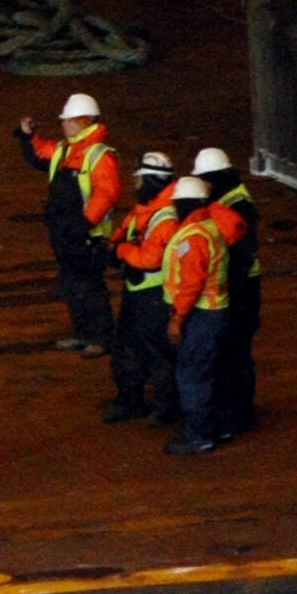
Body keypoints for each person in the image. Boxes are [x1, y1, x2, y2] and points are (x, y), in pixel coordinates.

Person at [17, 93, 123, 357]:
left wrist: (84, 223)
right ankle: (83, 333)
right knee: (72, 285)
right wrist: (26, 136)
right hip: (66, 233)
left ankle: (102, 337)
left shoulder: (99, 155)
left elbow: (107, 193)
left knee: (90, 287)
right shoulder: (66, 149)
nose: (63, 124)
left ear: (84, 121)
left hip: (86, 236)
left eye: (69, 120)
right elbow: (40, 155)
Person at [104, 151, 181, 423]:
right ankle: (130, 399)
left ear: (150, 181)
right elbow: (126, 230)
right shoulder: (148, 210)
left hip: (155, 298)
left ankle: (166, 406)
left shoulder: (166, 218)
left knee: (156, 352)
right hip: (137, 293)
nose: (134, 186)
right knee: (127, 346)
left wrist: (120, 250)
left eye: (138, 181)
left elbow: (150, 259)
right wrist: (112, 245)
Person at [192, 147, 261, 439]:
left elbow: (239, 252)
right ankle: (236, 411)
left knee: (234, 354)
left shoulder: (235, 206)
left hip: (240, 289)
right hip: (243, 286)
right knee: (234, 353)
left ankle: (237, 415)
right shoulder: (232, 198)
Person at [159, 176, 231, 456]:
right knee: (214, 372)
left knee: (192, 376)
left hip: (200, 316)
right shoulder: (210, 227)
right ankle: (220, 427)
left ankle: (199, 436)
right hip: (216, 312)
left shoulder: (193, 236)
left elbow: (191, 284)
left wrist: (177, 318)